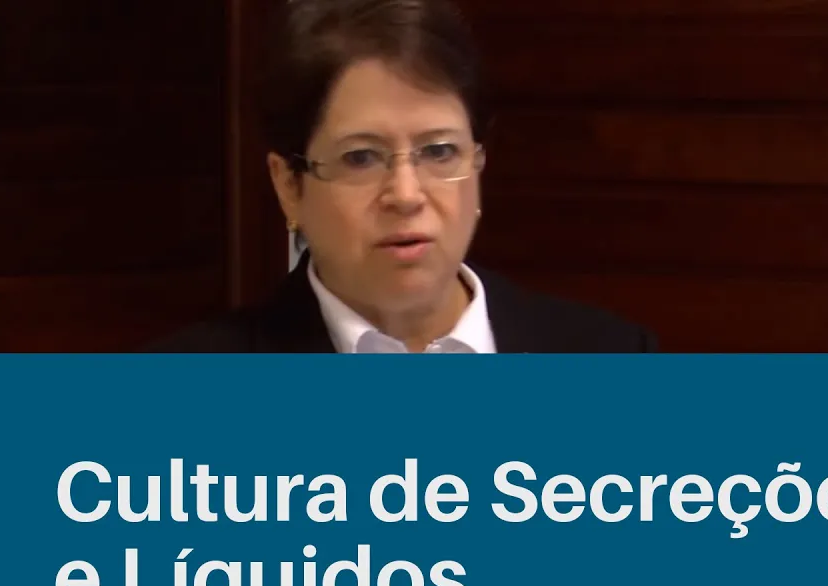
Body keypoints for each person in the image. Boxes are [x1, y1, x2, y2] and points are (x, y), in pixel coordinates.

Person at [149, 0, 656, 353]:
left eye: (439, 151)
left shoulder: (614, 357)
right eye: (361, 158)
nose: (406, 195)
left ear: (478, 161)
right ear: (289, 186)